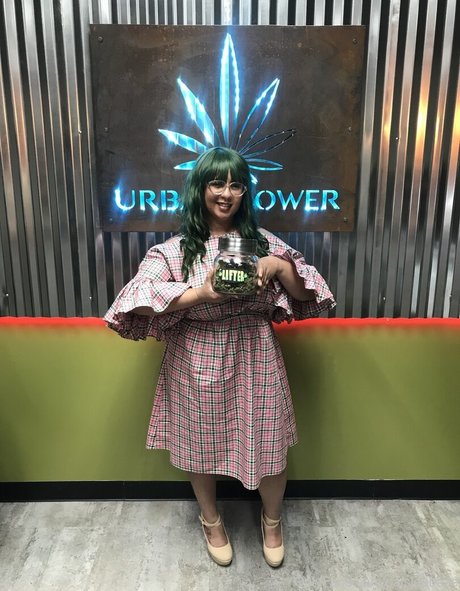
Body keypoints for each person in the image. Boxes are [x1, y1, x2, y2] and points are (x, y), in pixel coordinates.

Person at [104, 147, 335, 567]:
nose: (226, 193)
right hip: (195, 356)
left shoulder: (262, 243)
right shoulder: (176, 250)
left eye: (236, 184)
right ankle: (210, 520)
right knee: (199, 444)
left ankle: (272, 520)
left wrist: (278, 266)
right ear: (200, 188)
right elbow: (135, 299)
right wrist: (202, 293)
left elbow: (310, 291)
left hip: (256, 352)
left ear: (245, 192)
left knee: (269, 443)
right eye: (216, 182)